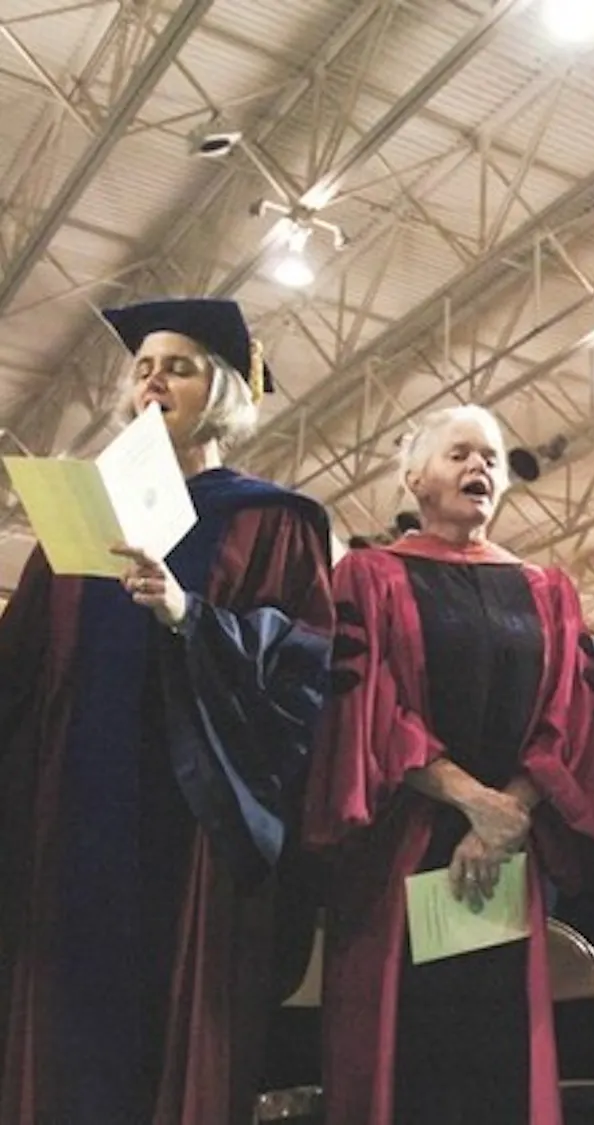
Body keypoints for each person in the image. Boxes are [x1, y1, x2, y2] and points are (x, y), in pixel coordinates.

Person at [0, 298, 335, 1124]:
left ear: (220, 390)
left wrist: (190, 615)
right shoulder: (81, 515)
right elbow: (23, 667)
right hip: (72, 815)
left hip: (190, 825)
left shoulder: (267, 518)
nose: (154, 380)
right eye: (144, 367)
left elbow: (305, 659)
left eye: (178, 366)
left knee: (164, 1033)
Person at [302, 404, 594, 1125]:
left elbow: (570, 714)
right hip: (400, 843)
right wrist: (472, 800)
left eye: (491, 457)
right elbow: (366, 708)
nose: (478, 466)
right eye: (458, 454)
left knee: (495, 1049)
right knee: (406, 1050)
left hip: (508, 848)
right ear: (414, 476)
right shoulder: (368, 576)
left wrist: (510, 808)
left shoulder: (546, 590)